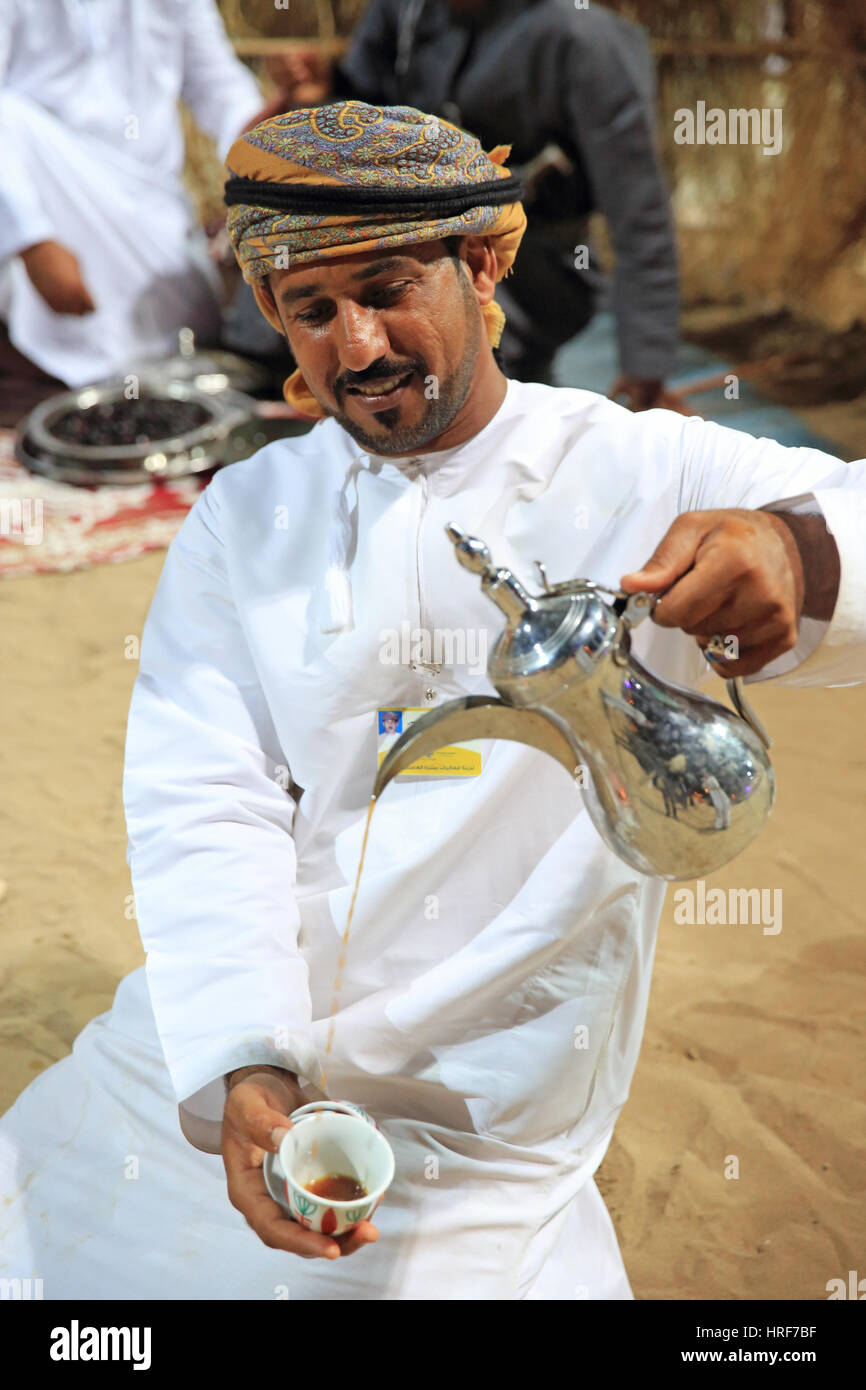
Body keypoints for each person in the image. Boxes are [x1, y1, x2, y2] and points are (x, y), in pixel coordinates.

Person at [0, 100, 864, 1301]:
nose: (356, 347)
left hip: (479, 1116)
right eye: (312, 310)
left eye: (390, 286)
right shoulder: (245, 520)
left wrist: (797, 556)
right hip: (231, 1055)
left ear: (485, 261)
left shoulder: (639, 468)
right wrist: (245, 1070)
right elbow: (206, 801)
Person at [272, 0, 680, 408]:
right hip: (401, 249)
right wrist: (325, 93)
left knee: (460, 387)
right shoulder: (403, 14)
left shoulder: (585, 39)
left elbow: (639, 212)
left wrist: (646, 364)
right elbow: (363, 112)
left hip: (536, 269)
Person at [0, 0, 287, 395]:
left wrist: (261, 137)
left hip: (153, 206)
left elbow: (218, 85)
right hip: (49, 192)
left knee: (180, 351)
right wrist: (31, 239)